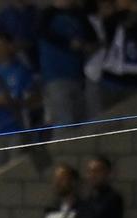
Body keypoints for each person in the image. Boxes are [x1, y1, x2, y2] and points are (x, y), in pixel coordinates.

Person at [36, 0, 94, 130]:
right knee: (64, 120)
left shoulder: (79, 14)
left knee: (82, 118)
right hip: (56, 74)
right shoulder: (47, 15)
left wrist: (84, 45)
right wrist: (69, 43)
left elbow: (91, 36)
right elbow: (46, 34)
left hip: (78, 73)